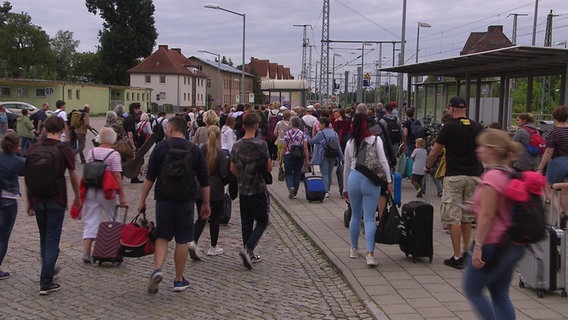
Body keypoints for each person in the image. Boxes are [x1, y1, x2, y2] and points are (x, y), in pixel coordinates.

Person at [138, 116, 211, 294]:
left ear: (170, 129)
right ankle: (178, 280)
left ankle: (157, 269)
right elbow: (204, 179)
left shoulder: (161, 148)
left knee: (162, 236)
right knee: (182, 239)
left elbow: (150, 177)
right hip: (186, 199)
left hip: (164, 198)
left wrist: (141, 201)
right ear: (184, 130)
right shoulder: (193, 149)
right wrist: (206, 203)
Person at [463, 128, 527, 320]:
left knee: (472, 289)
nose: (477, 150)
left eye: (480, 146)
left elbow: (488, 215)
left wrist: (478, 247)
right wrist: (473, 206)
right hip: (508, 242)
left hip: (490, 243)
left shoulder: (491, 177)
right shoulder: (509, 173)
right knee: (500, 295)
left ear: (491, 149)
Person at [425, 96, 483, 269]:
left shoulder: (448, 127)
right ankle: (467, 253)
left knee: (453, 217)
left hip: (454, 176)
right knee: (467, 216)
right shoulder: (476, 126)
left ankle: (457, 256)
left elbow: (435, 151)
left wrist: (428, 166)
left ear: (451, 109)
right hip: (474, 176)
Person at [26, 115, 81, 295]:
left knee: (44, 237)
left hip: (37, 198)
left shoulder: (34, 148)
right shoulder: (64, 150)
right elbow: (73, 176)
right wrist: (78, 197)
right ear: (61, 129)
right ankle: (46, 281)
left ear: (45, 128)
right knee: (52, 240)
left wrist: (29, 202)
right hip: (56, 199)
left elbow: (28, 177)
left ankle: (47, 271)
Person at [342, 113, 392, 267]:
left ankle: (354, 248)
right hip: (371, 180)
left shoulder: (350, 142)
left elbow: (346, 168)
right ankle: (370, 254)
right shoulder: (376, 140)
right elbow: (383, 161)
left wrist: (344, 187)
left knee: (356, 216)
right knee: (370, 218)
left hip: (354, 179)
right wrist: (388, 181)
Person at [230, 112, 272, 269]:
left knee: (246, 222)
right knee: (262, 221)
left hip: (243, 188)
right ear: (256, 126)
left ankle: (249, 253)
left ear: (242, 126)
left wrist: (242, 176)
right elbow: (268, 167)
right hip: (258, 188)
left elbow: (232, 168)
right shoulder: (261, 145)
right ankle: (248, 249)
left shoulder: (237, 145)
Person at [80, 128, 127, 263]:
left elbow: (87, 169)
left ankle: (86, 252)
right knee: (113, 218)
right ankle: (111, 249)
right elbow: (117, 175)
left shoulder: (91, 152)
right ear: (113, 139)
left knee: (91, 219)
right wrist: (122, 196)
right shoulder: (114, 154)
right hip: (108, 191)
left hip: (92, 189)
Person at [193, 125, 229, 256]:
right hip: (216, 190)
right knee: (214, 220)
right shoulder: (220, 154)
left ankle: (194, 241)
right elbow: (224, 174)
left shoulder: (200, 149)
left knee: (201, 217)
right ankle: (213, 246)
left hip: (199, 188)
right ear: (219, 136)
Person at [0, 132, 25, 279]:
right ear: (16, 146)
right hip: (8, 199)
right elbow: (27, 168)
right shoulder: (17, 161)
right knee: (3, 237)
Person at [537, 105, 568, 220]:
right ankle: (565, 213)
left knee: (548, 187)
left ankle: (560, 212)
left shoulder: (554, 132)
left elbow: (549, 151)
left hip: (558, 162)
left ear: (555, 118)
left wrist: (540, 167)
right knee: (566, 189)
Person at [306, 117, 343, 197]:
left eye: (320, 124)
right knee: (329, 172)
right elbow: (338, 146)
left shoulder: (321, 133)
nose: (319, 126)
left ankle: (326, 190)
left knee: (324, 173)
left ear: (323, 124)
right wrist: (341, 156)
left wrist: (307, 135)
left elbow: (312, 141)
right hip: (333, 155)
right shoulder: (334, 133)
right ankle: (328, 189)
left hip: (323, 155)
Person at [283, 116, 310, 199]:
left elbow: (284, 147)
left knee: (288, 173)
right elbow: (305, 147)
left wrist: (281, 158)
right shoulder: (303, 134)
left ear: (291, 123)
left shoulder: (287, 133)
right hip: (299, 155)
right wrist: (307, 160)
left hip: (289, 155)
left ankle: (290, 187)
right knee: (297, 173)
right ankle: (295, 192)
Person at [123, 103, 142, 183]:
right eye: (136, 108)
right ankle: (133, 176)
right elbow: (129, 133)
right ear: (133, 109)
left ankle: (134, 177)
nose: (139, 109)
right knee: (134, 159)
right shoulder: (130, 119)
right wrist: (133, 145)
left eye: (139, 108)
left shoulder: (132, 118)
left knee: (135, 159)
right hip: (131, 142)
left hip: (133, 141)